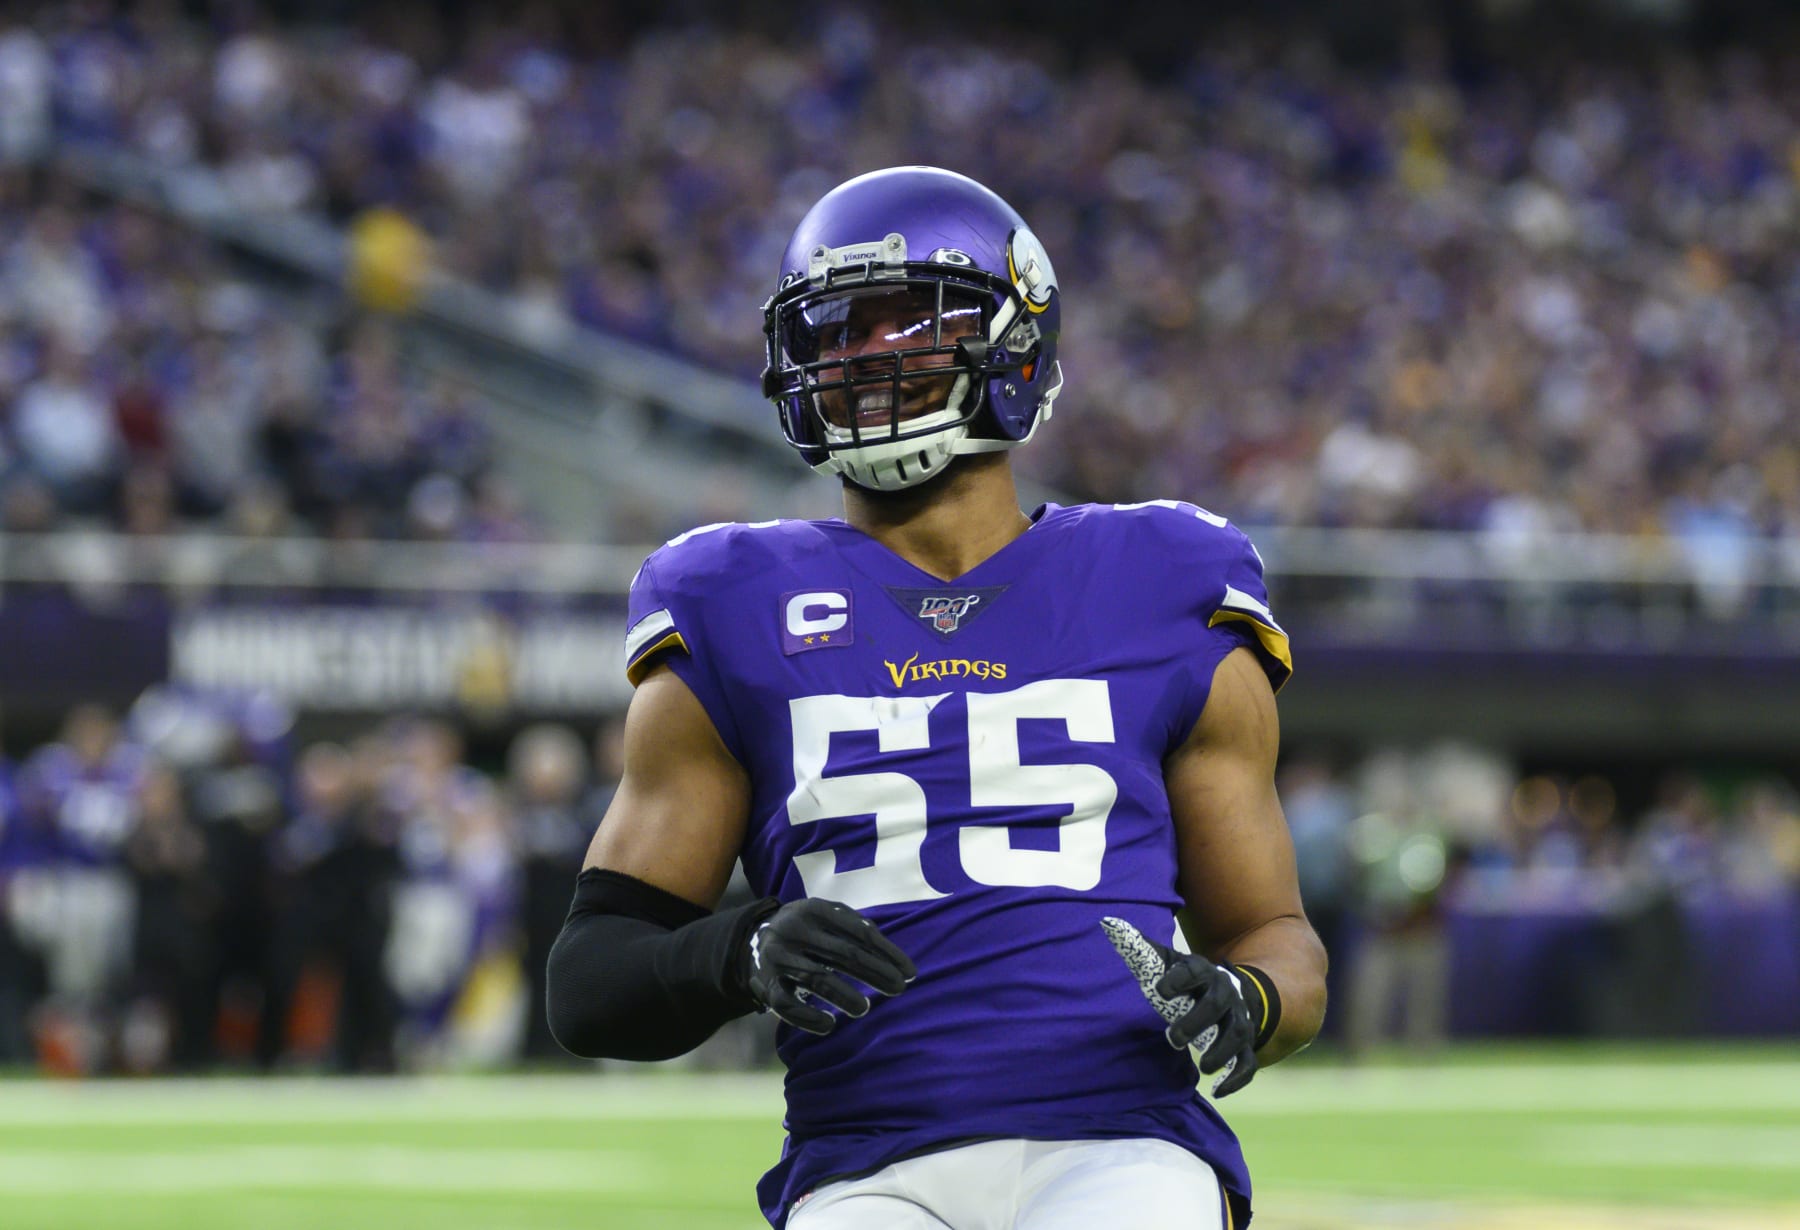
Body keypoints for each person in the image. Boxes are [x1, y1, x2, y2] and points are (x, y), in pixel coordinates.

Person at [547, 167, 1327, 1230]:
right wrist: (741, 950)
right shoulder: (730, 599)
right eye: (837, 331)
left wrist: (1252, 1000)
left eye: (906, 325)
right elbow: (591, 982)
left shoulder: (1163, 578)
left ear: (1017, 337)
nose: (864, 359)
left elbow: (1275, 932)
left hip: (1122, 1139)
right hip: (865, 1160)